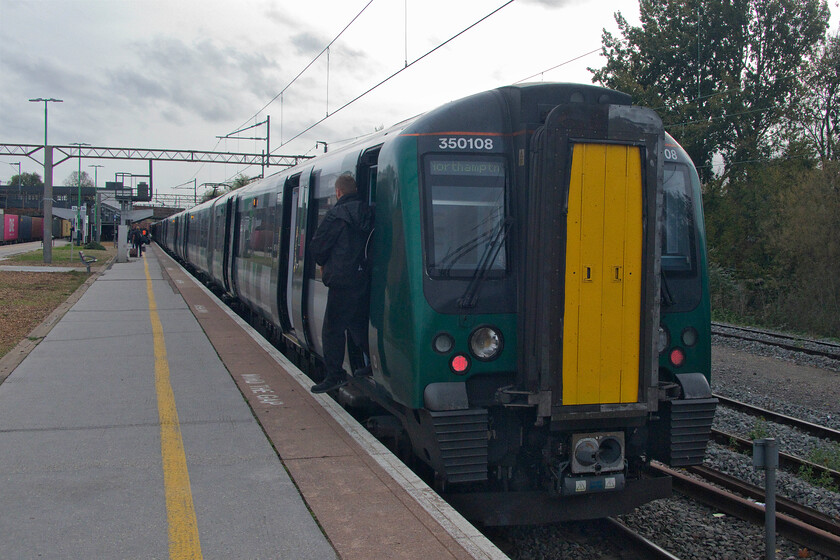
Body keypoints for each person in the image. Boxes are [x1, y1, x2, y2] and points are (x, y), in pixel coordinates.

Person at [309, 174, 373, 394]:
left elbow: (318, 246)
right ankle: (374, 364)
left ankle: (334, 375)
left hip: (342, 279)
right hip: (363, 278)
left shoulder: (337, 214)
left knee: (333, 329)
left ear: (338, 192)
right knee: (357, 322)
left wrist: (323, 262)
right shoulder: (369, 212)